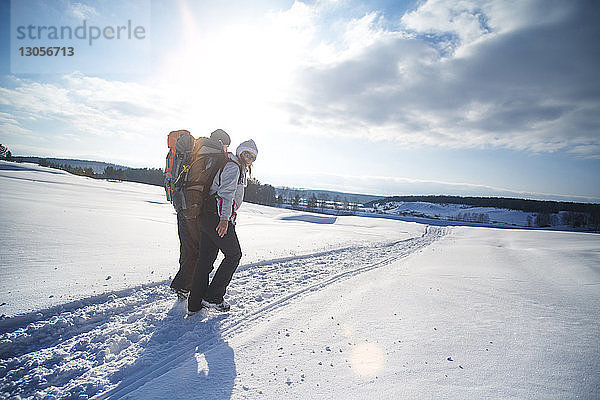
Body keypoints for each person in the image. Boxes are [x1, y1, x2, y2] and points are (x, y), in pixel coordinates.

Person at [187, 139, 258, 314]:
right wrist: (225, 219)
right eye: (246, 153)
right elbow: (224, 195)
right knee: (234, 255)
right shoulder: (233, 167)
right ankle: (213, 297)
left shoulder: (234, 165)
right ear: (240, 152)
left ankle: (194, 304)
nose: (248, 158)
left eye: (252, 157)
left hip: (207, 216)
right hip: (217, 217)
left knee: (205, 261)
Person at [170, 129, 231, 299]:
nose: (226, 149)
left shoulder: (195, 149)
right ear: (221, 142)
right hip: (197, 209)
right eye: (226, 145)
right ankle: (184, 286)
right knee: (201, 251)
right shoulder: (216, 155)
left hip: (182, 203)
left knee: (187, 247)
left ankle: (184, 287)